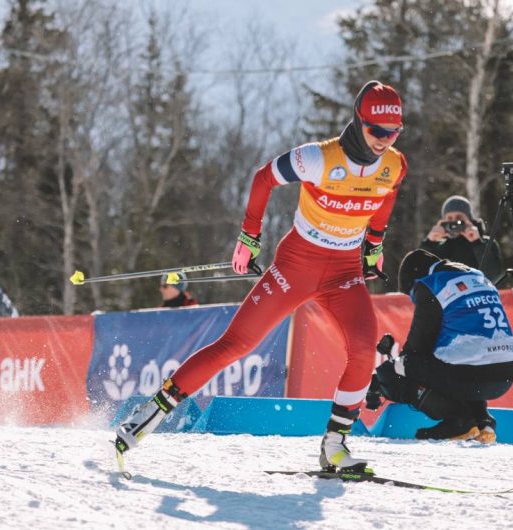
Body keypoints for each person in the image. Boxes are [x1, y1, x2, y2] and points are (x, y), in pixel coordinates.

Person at [116, 80, 408, 472]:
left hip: (343, 271)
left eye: (394, 133)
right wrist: (249, 237)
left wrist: (374, 242)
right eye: (377, 130)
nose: (384, 141)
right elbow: (263, 177)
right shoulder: (319, 158)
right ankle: (150, 413)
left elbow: (386, 195)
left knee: (362, 349)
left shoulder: (395, 164)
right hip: (298, 265)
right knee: (236, 344)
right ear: (359, 122)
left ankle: (335, 445)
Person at [365, 249, 513, 443]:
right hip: (505, 375)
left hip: (471, 374)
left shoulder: (432, 285)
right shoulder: (479, 277)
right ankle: (482, 421)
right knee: (460, 362)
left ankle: (459, 421)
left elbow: (418, 346)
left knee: (399, 370)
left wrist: (388, 373)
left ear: (416, 279)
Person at [420, 195, 505, 284]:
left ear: (469, 219)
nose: (454, 223)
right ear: (443, 222)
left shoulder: (486, 243)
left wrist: (477, 243)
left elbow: (494, 277)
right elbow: (420, 276)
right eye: (449, 218)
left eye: (459, 218)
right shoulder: (439, 248)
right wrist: (429, 243)